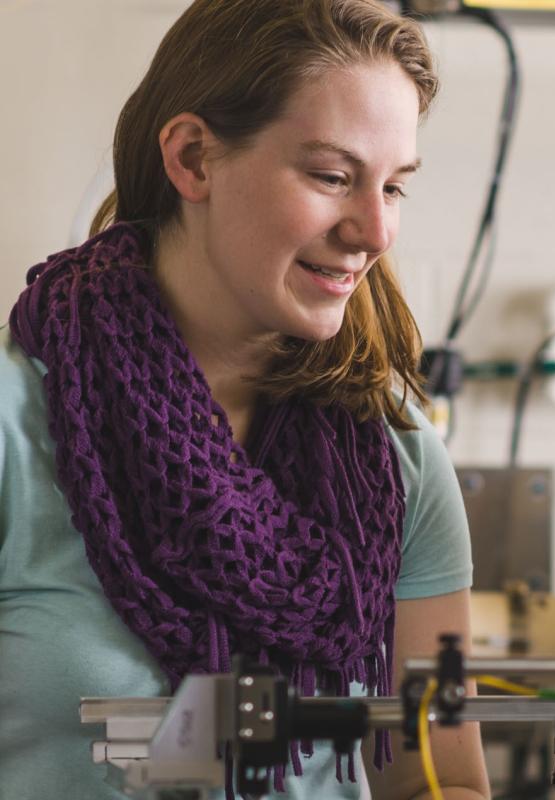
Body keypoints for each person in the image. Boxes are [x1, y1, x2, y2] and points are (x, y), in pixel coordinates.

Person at [0, 1, 489, 798]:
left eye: (394, 188)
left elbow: (436, 779)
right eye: (332, 177)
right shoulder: (13, 430)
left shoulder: (398, 465)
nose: (375, 230)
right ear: (193, 158)